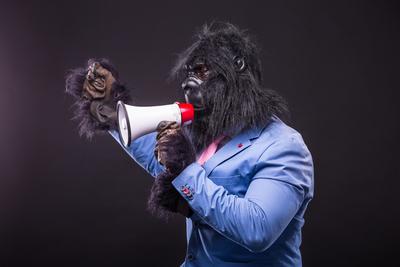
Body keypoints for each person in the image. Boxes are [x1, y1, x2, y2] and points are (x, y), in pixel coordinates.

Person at [66, 22, 314, 267]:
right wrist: (111, 111)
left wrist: (186, 171)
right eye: (188, 74)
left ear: (237, 66)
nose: (188, 84)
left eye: (202, 71)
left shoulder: (284, 147)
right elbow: (161, 159)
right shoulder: (212, 136)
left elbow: (257, 229)